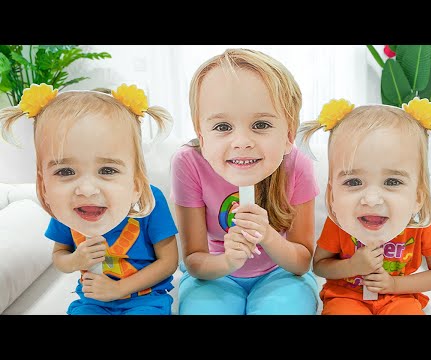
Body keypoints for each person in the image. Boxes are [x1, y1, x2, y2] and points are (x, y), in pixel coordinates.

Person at [0, 83, 179, 315]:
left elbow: (168, 262)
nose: (86, 190)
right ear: (44, 185)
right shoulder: (68, 208)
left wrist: (118, 288)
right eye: (65, 171)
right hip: (92, 303)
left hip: (145, 300)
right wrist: (76, 260)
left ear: (136, 183)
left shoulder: (150, 200)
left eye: (107, 170)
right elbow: (60, 256)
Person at [170, 48, 320, 315]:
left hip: (280, 274)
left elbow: (301, 263)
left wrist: (268, 236)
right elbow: (194, 261)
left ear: (288, 134)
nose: (242, 142)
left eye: (261, 125)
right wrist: (228, 261)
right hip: (214, 274)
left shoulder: (298, 164)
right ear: (201, 136)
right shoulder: (188, 163)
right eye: (222, 127)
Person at [298, 97, 431, 315]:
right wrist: (352, 267)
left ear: (419, 196)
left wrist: (394, 286)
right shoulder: (340, 223)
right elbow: (320, 265)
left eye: (392, 182)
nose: (372, 200)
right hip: (346, 296)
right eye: (353, 182)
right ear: (332, 194)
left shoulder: (421, 225)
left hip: (400, 298)